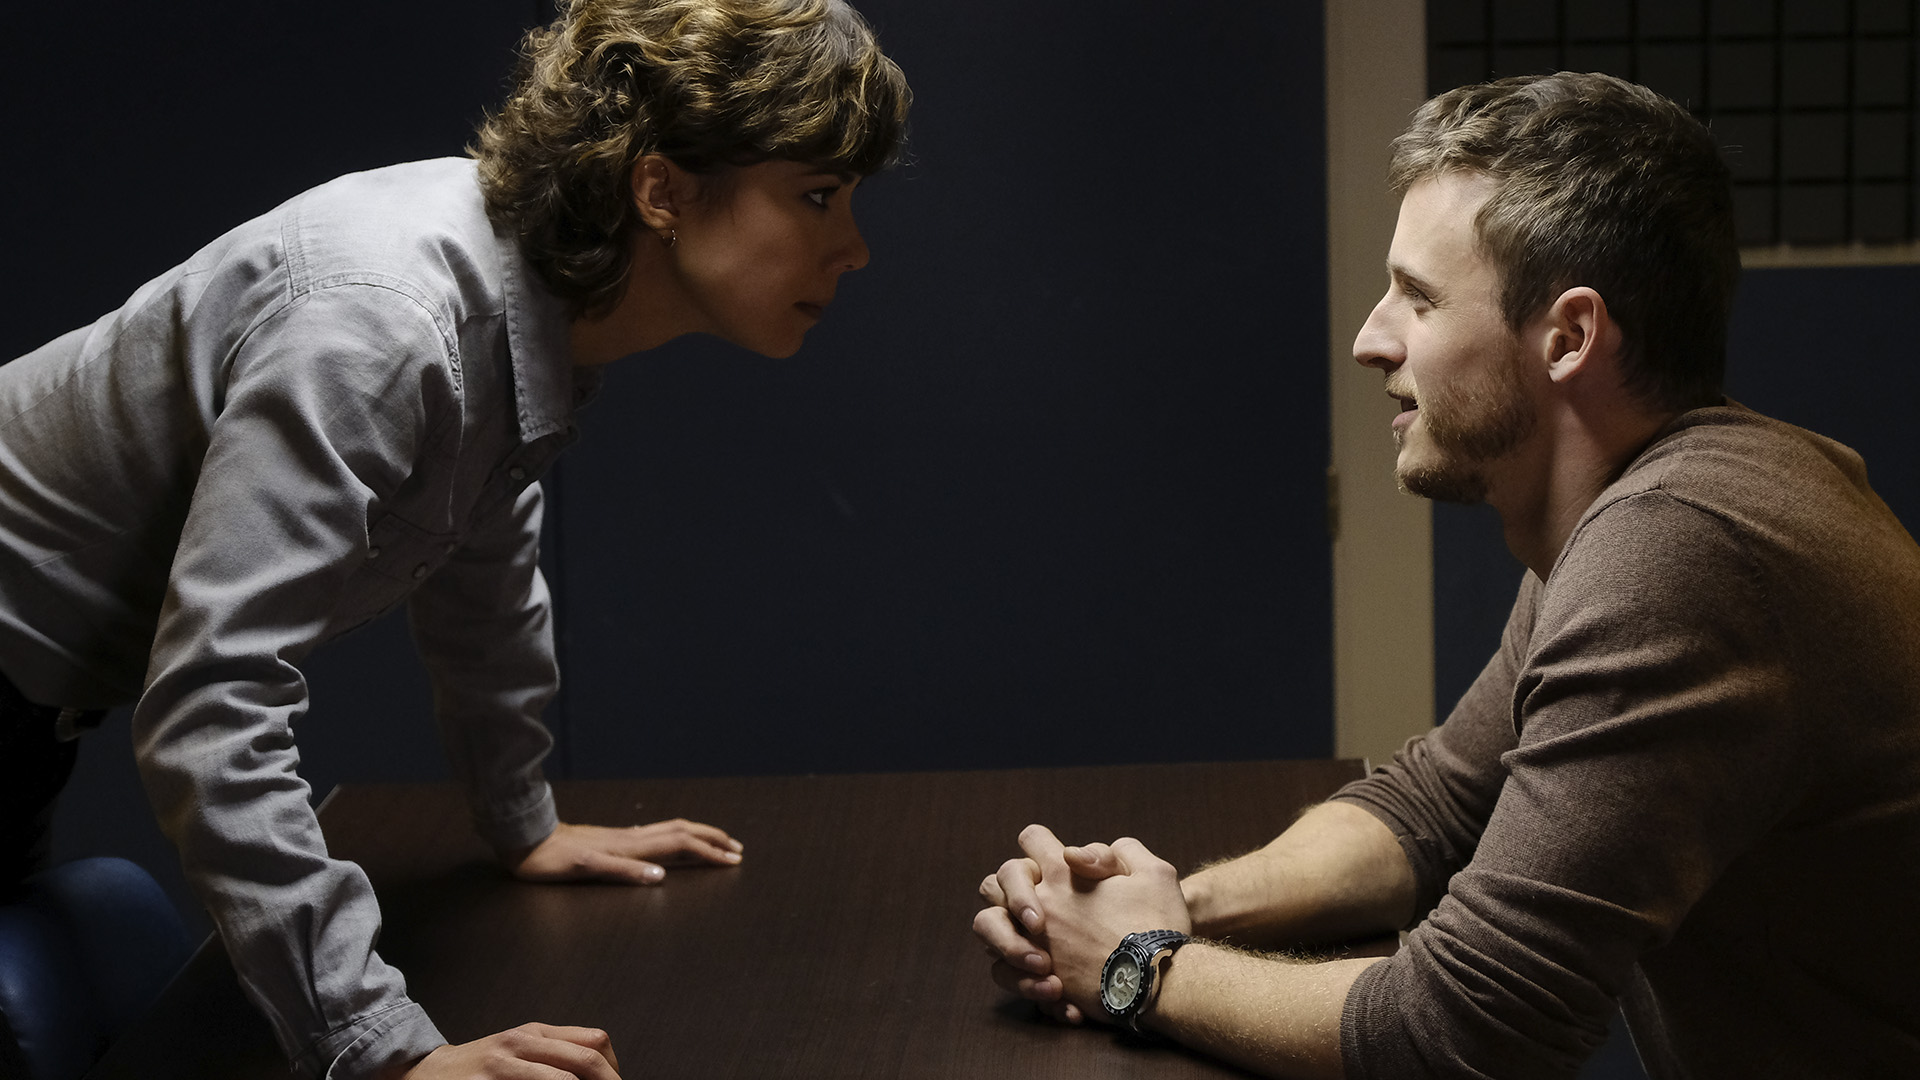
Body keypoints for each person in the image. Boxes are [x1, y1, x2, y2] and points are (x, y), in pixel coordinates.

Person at [0, 0, 908, 1077]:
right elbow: (213, 704)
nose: (854, 249)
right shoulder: (387, 326)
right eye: (817, 196)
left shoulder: (525, 298)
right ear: (661, 190)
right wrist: (386, 1051)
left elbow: (481, 567)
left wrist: (522, 819)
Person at [973, 71, 1920, 1078]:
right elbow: (1436, 809)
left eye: (1418, 299)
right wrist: (1168, 908)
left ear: (1568, 338)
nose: (1369, 339)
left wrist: (1137, 968)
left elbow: (1467, 1030)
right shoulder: (1650, 506)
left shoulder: (1679, 554)